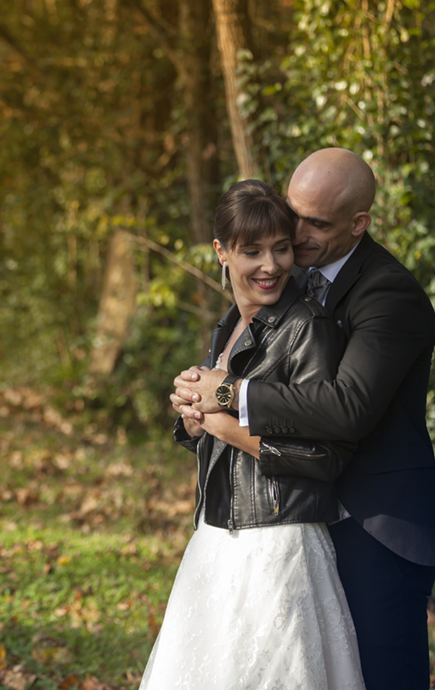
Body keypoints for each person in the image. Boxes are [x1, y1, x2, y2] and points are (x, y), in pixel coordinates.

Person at [172, 148, 435, 690]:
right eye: (295, 213)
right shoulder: (286, 280)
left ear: (359, 224)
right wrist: (197, 406)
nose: (297, 231)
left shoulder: (389, 292)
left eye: (317, 222)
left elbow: (347, 406)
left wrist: (233, 395)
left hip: (376, 521)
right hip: (302, 515)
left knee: (382, 677)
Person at [139, 179, 365, 690]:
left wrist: (225, 423)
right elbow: (225, 423)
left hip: (279, 543)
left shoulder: (308, 327)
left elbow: (325, 456)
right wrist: (194, 420)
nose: (271, 265)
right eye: (252, 251)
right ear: (221, 252)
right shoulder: (229, 327)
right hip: (217, 536)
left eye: (281, 248)